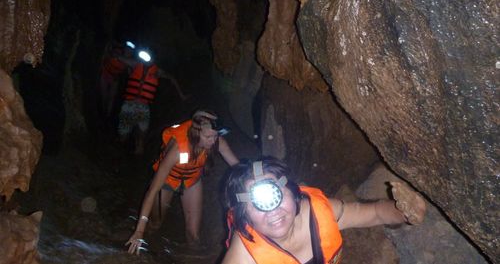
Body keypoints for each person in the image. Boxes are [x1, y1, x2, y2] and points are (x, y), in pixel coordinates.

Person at [222, 157, 427, 264]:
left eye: (276, 195)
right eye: (258, 203)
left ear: (294, 193)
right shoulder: (243, 258)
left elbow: (375, 212)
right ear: (244, 214)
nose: (272, 211)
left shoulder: (321, 213)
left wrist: (403, 210)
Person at [126, 109, 239, 255]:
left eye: (215, 136)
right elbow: (153, 190)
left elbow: (237, 166)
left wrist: (258, 174)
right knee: (154, 224)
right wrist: (139, 230)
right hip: (168, 181)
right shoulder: (178, 150)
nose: (212, 141)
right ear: (196, 132)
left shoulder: (216, 141)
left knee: (193, 236)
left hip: (191, 181)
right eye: (208, 136)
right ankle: (149, 251)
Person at [117, 48, 189, 154]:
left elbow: (172, 79)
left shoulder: (157, 71)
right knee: (123, 135)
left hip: (143, 106)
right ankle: (118, 155)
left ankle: (136, 162)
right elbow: (119, 58)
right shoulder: (135, 64)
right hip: (129, 104)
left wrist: (181, 94)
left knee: (141, 137)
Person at [99, 42, 133, 122]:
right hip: (105, 74)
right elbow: (108, 54)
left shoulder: (129, 61)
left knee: (111, 97)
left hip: (115, 78)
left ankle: (107, 116)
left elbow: (130, 72)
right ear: (125, 49)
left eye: (130, 51)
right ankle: (102, 110)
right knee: (104, 95)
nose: (129, 52)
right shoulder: (117, 52)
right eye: (128, 49)